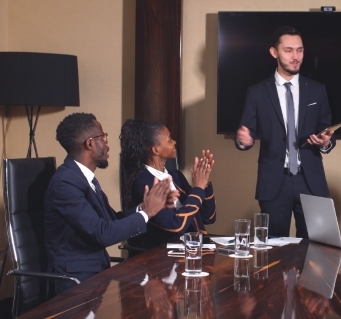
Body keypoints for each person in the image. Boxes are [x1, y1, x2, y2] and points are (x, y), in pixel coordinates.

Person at [45, 113, 175, 295]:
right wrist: (148, 214)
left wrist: (144, 208)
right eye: (103, 137)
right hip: (76, 285)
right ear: (90, 143)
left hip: (97, 277)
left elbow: (111, 220)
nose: (107, 144)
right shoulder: (65, 183)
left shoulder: (84, 179)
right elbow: (102, 233)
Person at [235, 26, 336, 238]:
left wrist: (325, 141)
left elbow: (326, 132)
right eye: (289, 50)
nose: (296, 56)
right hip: (274, 182)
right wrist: (243, 140)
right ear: (274, 52)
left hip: (311, 182)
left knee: (316, 251)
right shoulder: (257, 92)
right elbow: (246, 133)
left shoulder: (317, 89)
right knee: (272, 251)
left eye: (300, 50)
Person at [120, 119, 216, 248]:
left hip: (194, 249)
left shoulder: (176, 176)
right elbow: (176, 225)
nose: (174, 142)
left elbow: (208, 217)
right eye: (169, 139)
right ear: (156, 150)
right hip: (163, 256)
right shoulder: (143, 182)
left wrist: (205, 181)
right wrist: (198, 187)